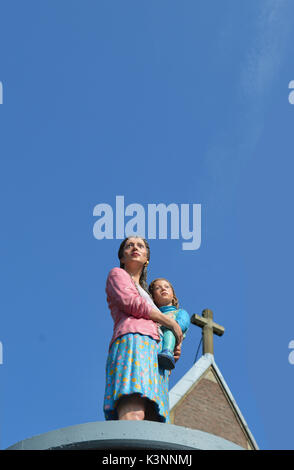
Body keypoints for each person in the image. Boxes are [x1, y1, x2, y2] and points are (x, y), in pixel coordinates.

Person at [103, 236, 183, 423]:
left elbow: (159, 323)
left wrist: (173, 343)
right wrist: (168, 321)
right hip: (133, 340)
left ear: (147, 257)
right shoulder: (117, 275)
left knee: (153, 416)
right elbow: (131, 303)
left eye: (140, 245)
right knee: (133, 409)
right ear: (122, 257)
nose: (134, 248)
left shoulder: (148, 295)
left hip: (153, 351)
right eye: (129, 245)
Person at [149, 278, 190, 370]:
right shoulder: (152, 315)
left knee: (170, 329)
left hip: (170, 340)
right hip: (152, 347)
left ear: (173, 296)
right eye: (158, 288)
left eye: (167, 287)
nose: (163, 289)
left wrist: (166, 324)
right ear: (153, 297)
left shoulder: (179, 312)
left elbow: (181, 324)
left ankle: (167, 352)